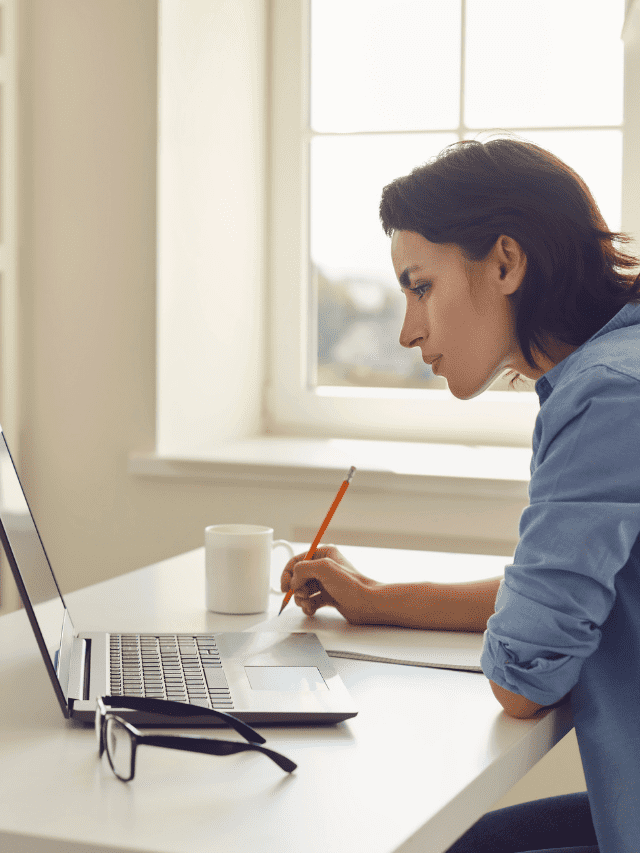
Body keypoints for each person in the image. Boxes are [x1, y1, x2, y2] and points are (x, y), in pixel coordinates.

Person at [280, 136, 640, 853]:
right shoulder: (615, 370)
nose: (410, 330)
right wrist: (377, 597)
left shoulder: (604, 399)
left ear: (505, 261)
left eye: (420, 287)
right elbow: (563, 600)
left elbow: (523, 678)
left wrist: (522, 632)